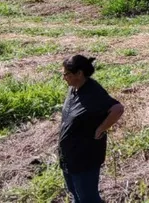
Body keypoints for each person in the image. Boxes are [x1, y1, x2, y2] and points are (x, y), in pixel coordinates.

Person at [59, 55, 125, 203]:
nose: (64, 78)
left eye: (66, 74)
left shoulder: (94, 93)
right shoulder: (75, 88)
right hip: (69, 156)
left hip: (85, 157)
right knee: (76, 195)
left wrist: (100, 129)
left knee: (88, 198)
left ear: (79, 74)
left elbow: (117, 109)